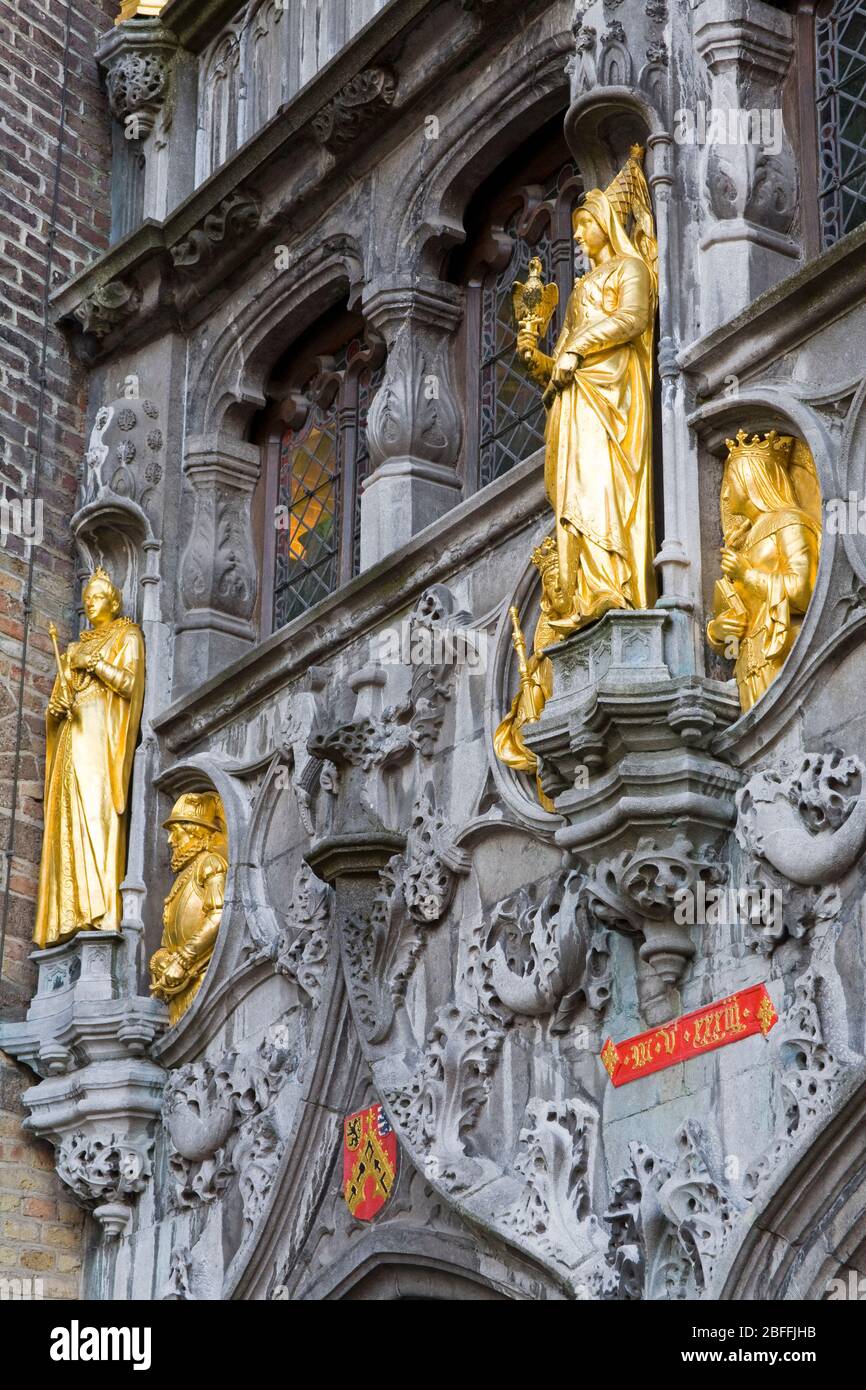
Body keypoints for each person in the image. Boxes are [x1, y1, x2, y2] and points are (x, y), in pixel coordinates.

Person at [34, 567, 145, 947]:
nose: (90, 604)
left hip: (101, 739)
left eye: (97, 597)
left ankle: (101, 910)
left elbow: (132, 685)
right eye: (86, 599)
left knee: (97, 818)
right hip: (71, 737)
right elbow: (54, 706)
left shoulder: (127, 635)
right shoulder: (71, 648)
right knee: (67, 823)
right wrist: (57, 708)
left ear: (113, 602)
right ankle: (72, 913)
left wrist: (92, 663)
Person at [707, 430, 821, 711]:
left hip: (782, 649)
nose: (725, 492)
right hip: (750, 660)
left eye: (731, 482)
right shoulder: (740, 542)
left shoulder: (791, 523)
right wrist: (717, 632)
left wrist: (748, 575)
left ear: (751, 481)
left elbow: (805, 592)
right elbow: (734, 609)